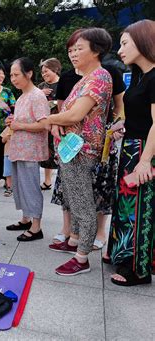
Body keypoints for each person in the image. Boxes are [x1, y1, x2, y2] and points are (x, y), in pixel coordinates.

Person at [50, 29, 125, 250]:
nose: (73, 54)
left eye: (79, 49)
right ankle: (74, 240)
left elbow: (74, 115)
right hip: (71, 148)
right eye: (71, 50)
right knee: (74, 200)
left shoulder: (100, 77)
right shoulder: (83, 79)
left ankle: (81, 256)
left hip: (83, 150)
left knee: (84, 203)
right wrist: (56, 121)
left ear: (97, 50)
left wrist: (48, 119)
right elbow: (65, 111)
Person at [107, 19, 155, 286]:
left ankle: (138, 269)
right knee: (126, 207)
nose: (120, 50)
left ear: (144, 41)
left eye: (125, 43)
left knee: (139, 209)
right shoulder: (140, 76)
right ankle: (123, 255)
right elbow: (141, 116)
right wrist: (123, 124)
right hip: (130, 148)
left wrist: (145, 160)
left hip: (144, 152)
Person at [5, 57, 49, 242]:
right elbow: (21, 122)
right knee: (20, 186)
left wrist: (19, 125)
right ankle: (25, 219)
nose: (13, 79)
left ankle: (36, 226)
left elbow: (44, 124)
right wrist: (13, 124)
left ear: (29, 73)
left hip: (30, 150)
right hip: (19, 148)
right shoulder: (22, 96)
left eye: (16, 74)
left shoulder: (37, 96)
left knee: (30, 187)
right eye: (11, 75)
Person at [38, 58, 61, 190]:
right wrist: (40, 95)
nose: (44, 74)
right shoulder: (41, 87)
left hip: (60, 122)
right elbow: (33, 102)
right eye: (42, 72)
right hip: (45, 124)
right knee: (47, 152)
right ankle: (47, 181)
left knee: (61, 152)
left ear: (55, 70)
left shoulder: (63, 84)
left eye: (46, 71)